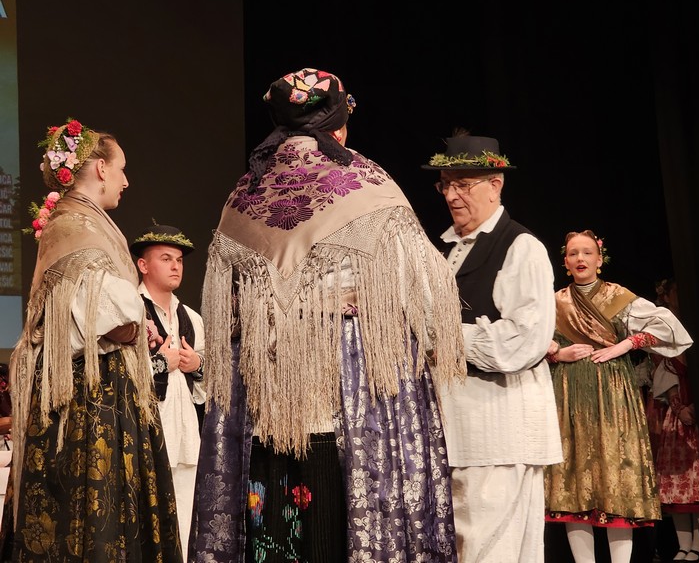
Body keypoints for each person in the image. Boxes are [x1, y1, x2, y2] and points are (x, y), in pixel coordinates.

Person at [189, 68, 466, 563]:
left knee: (278, 504)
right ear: (338, 125)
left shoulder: (247, 191)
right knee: (349, 492)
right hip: (350, 368)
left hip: (266, 383)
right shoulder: (365, 181)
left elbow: (224, 304)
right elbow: (425, 287)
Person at [5, 119, 182, 560]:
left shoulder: (85, 221)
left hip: (102, 384)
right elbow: (108, 319)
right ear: (101, 168)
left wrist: (132, 323)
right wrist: (134, 325)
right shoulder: (75, 225)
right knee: (88, 503)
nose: (126, 180)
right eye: (121, 168)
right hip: (87, 393)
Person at [421, 131, 563, 563]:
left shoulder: (520, 247)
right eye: (446, 185)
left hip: (499, 427)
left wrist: (440, 335)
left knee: (492, 548)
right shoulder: (447, 249)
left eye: (463, 185)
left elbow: (523, 341)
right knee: (468, 545)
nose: (452, 195)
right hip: (458, 426)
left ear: (495, 184)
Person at [544, 230, 693, 563]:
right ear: (565, 261)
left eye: (587, 252)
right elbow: (531, 340)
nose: (580, 258)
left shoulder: (618, 296)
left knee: (616, 471)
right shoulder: (554, 301)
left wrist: (626, 344)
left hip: (613, 389)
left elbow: (669, 329)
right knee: (574, 478)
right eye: (573, 253)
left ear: (599, 259)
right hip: (569, 390)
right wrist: (558, 353)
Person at [130, 223, 205, 563]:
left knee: (187, 513)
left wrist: (196, 364)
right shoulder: (130, 311)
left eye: (179, 260)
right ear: (143, 265)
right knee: (146, 513)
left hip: (185, 429)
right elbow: (118, 375)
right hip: (146, 429)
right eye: (165, 258)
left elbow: (207, 384)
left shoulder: (191, 317)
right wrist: (162, 364)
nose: (175, 266)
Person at [651, 279, 699, 563]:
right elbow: (666, 376)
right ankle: (687, 546)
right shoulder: (666, 337)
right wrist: (678, 407)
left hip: (696, 416)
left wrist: (694, 407)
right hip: (677, 418)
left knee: (697, 486)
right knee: (675, 486)